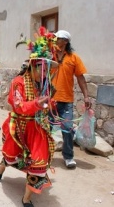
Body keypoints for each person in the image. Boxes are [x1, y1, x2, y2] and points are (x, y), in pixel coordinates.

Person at [0, 27, 58, 207]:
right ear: (32, 66)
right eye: (42, 68)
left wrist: (50, 105)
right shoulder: (18, 82)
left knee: (39, 163)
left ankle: (26, 198)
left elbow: (48, 105)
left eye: (47, 69)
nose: (45, 73)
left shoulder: (45, 86)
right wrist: (37, 104)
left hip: (38, 129)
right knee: (12, 157)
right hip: (19, 128)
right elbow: (18, 106)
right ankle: (2, 166)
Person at [50, 30, 91, 169]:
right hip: (48, 100)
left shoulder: (74, 58)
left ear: (66, 41)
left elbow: (80, 78)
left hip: (66, 100)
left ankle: (68, 156)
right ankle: (43, 154)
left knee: (67, 129)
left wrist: (86, 96)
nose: (55, 40)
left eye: (58, 38)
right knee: (45, 128)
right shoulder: (49, 56)